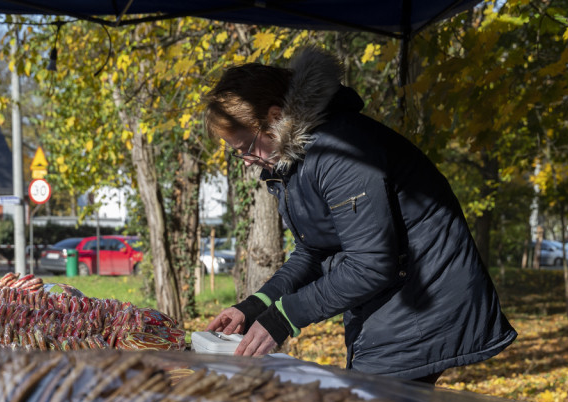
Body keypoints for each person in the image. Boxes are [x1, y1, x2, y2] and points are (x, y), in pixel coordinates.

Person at [203, 47, 516, 384]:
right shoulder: (292, 162)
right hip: (390, 300)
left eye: (246, 149)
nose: (247, 161)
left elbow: (370, 263)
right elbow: (313, 251)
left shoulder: (342, 152)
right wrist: (255, 307)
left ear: (275, 118)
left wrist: (284, 317)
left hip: (421, 304)